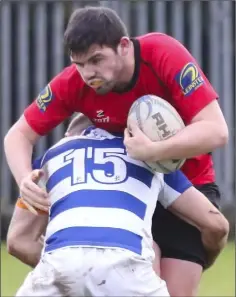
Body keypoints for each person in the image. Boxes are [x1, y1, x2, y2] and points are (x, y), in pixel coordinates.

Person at [4, 6, 229, 296]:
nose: (88, 73)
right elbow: (18, 135)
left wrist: (154, 150)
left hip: (186, 185)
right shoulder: (73, 81)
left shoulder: (163, 54)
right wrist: (24, 180)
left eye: (96, 60)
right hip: (126, 187)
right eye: (79, 63)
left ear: (124, 46)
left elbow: (216, 130)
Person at [7, 117, 228, 296]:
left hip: (59, 264)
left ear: (71, 132)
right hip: (128, 271)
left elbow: (18, 241)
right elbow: (217, 225)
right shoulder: (151, 158)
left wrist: (75, 272)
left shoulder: (50, 157)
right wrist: (203, 260)